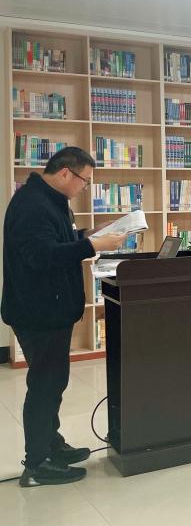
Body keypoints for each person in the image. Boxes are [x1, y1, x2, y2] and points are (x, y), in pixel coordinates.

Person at [2, 147, 128, 486]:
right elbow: (42, 256)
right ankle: (37, 463)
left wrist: (90, 234)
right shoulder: (32, 205)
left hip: (50, 309)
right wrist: (93, 247)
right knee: (45, 385)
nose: (84, 188)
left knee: (54, 382)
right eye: (84, 181)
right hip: (38, 312)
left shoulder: (51, 200)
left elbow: (58, 240)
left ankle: (51, 444)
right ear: (65, 174)